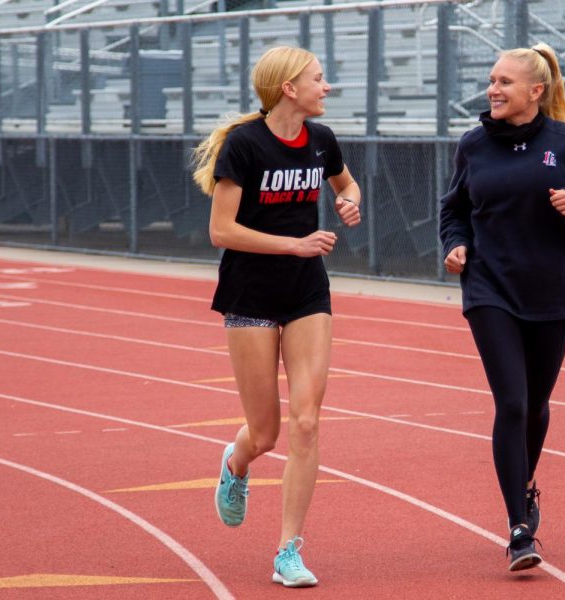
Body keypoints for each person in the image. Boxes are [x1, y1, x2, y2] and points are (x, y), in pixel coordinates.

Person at [439, 43, 565, 572]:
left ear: (535, 91)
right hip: (489, 289)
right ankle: (519, 529)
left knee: (538, 405)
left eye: (503, 82)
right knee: (514, 403)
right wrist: (454, 244)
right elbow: (453, 208)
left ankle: (524, 483)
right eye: (491, 80)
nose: (492, 90)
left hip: (549, 292)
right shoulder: (474, 145)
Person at [191, 45, 361, 588]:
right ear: (289, 88)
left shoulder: (322, 141)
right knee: (265, 433)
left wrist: (349, 201)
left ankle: (288, 549)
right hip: (250, 294)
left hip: (308, 293)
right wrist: (293, 244)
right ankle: (237, 465)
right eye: (318, 77)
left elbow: (345, 182)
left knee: (307, 421)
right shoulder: (245, 145)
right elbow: (222, 232)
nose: (326, 86)